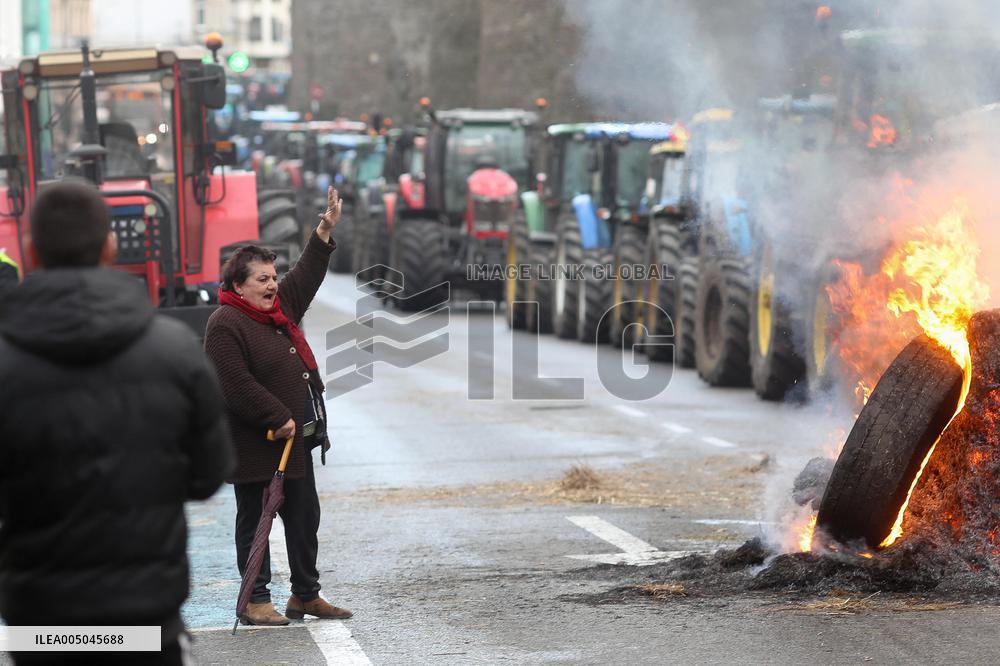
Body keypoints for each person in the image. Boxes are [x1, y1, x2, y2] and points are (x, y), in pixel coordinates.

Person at [0, 179, 234, 664]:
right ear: (109, 247)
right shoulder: (175, 351)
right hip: (148, 619)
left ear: (31, 251)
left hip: (39, 626)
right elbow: (209, 475)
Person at [205, 186, 352, 626]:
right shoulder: (225, 323)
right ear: (238, 286)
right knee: (257, 525)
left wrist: (324, 230)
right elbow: (235, 384)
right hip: (257, 445)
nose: (272, 285)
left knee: (304, 518)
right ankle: (255, 600)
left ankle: (306, 595)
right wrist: (278, 416)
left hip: (295, 442)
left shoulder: (277, 310)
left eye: (273, 277)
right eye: (262, 280)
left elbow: (306, 274)